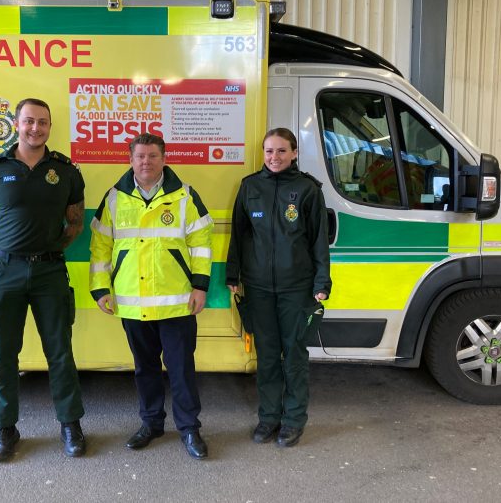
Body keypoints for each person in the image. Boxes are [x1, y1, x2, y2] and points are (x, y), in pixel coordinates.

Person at [0, 98, 87, 463]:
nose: (35, 128)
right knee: (4, 355)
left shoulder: (66, 171)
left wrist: (50, 250)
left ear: (50, 127)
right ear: (17, 125)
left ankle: (70, 424)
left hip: (51, 272)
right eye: (28, 121)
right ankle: (4, 429)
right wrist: (10, 251)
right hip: (5, 273)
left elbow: (75, 222)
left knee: (60, 353)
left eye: (42, 122)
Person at [88, 133, 213, 460]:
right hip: (131, 301)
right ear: (130, 160)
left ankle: (189, 429)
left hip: (177, 302)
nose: (146, 162)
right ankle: (152, 424)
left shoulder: (184, 196)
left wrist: (200, 286)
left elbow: (201, 243)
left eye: (153, 156)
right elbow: (100, 246)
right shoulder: (114, 197)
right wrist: (101, 288)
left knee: (181, 369)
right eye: (140, 156)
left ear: (163, 158)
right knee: (145, 369)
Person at [225, 127, 332, 448]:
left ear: (294, 153)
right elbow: (239, 236)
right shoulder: (249, 187)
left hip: (296, 289)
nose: (275, 157)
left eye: (282, 151)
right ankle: (269, 418)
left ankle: (294, 420)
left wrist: (321, 282)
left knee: (294, 356)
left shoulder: (308, 190)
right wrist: (234, 276)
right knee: (268, 356)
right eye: (269, 151)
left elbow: (318, 242)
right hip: (257, 288)